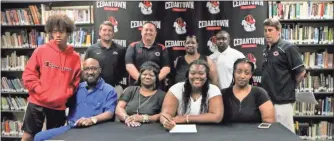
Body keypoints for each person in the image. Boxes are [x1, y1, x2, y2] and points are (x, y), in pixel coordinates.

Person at [21, 14, 81, 141]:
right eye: (54, 32)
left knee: (54, 138)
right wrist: (39, 89)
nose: (57, 35)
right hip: (37, 102)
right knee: (28, 136)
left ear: (68, 32)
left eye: (61, 32)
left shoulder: (75, 57)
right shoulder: (41, 50)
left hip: (58, 106)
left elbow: (75, 80)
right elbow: (28, 74)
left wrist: (66, 93)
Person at [34, 58, 118, 141]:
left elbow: (109, 113)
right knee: (39, 137)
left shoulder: (109, 90)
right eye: (86, 69)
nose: (90, 72)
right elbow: (62, 102)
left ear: (100, 70)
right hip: (71, 128)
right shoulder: (76, 88)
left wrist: (92, 120)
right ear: (82, 71)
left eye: (93, 68)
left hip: (93, 130)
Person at [261, 18, 306, 133]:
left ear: (278, 31)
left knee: (285, 134)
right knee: (271, 134)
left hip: (283, 102)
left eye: (270, 30)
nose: (267, 33)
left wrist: (289, 86)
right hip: (268, 101)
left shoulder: (287, 47)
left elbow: (301, 72)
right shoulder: (267, 49)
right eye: (265, 30)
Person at [160, 60, 223, 130]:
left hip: (207, 132)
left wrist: (186, 118)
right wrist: (166, 122)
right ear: (188, 75)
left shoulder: (213, 89)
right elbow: (165, 114)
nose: (196, 76)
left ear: (206, 75)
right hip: (181, 131)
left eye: (201, 73)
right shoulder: (176, 89)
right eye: (192, 73)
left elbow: (217, 117)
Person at [221, 58, 275, 123]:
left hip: (255, 132)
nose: (242, 76)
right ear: (234, 73)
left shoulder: (260, 93)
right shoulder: (223, 94)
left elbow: (268, 121)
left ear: (250, 75)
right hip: (227, 133)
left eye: (246, 73)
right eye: (239, 72)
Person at [116, 61, 166, 127]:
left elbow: (164, 114)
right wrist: (127, 118)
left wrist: (144, 118)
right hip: (126, 126)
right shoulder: (130, 90)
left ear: (156, 78)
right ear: (140, 76)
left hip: (150, 129)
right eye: (144, 74)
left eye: (151, 75)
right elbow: (119, 108)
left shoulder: (162, 95)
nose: (147, 77)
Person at [125, 22, 170, 87]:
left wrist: (154, 80)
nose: (148, 32)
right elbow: (129, 66)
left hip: (156, 87)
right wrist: (142, 80)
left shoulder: (162, 48)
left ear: (155, 33)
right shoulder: (133, 46)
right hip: (136, 86)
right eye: (146, 30)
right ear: (141, 32)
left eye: (151, 30)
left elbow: (166, 68)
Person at [85, 21, 126, 88]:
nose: (107, 33)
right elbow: (86, 68)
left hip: (114, 87)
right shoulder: (91, 49)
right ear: (100, 32)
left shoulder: (120, 50)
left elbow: (123, 70)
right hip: (95, 87)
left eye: (110, 30)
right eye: (104, 30)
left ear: (113, 33)